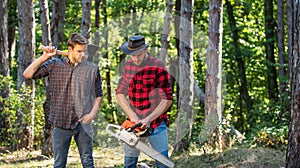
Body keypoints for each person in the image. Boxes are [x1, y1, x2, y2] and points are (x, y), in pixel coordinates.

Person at [23, 33, 103, 168]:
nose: (82, 55)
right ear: (70, 49)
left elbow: (98, 95)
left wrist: (92, 114)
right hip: (60, 122)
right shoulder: (55, 65)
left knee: (88, 161)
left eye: (84, 51)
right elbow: (28, 74)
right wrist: (44, 57)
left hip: (83, 123)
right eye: (79, 51)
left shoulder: (92, 69)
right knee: (59, 163)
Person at [116, 35, 173, 168]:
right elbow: (120, 93)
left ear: (146, 49)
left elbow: (167, 99)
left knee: (162, 163)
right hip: (133, 124)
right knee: (129, 163)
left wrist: (148, 119)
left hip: (156, 123)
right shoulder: (128, 66)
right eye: (133, 55)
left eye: (139, 55)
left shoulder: (158, 67)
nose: (136, 58)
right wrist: (133, 116)